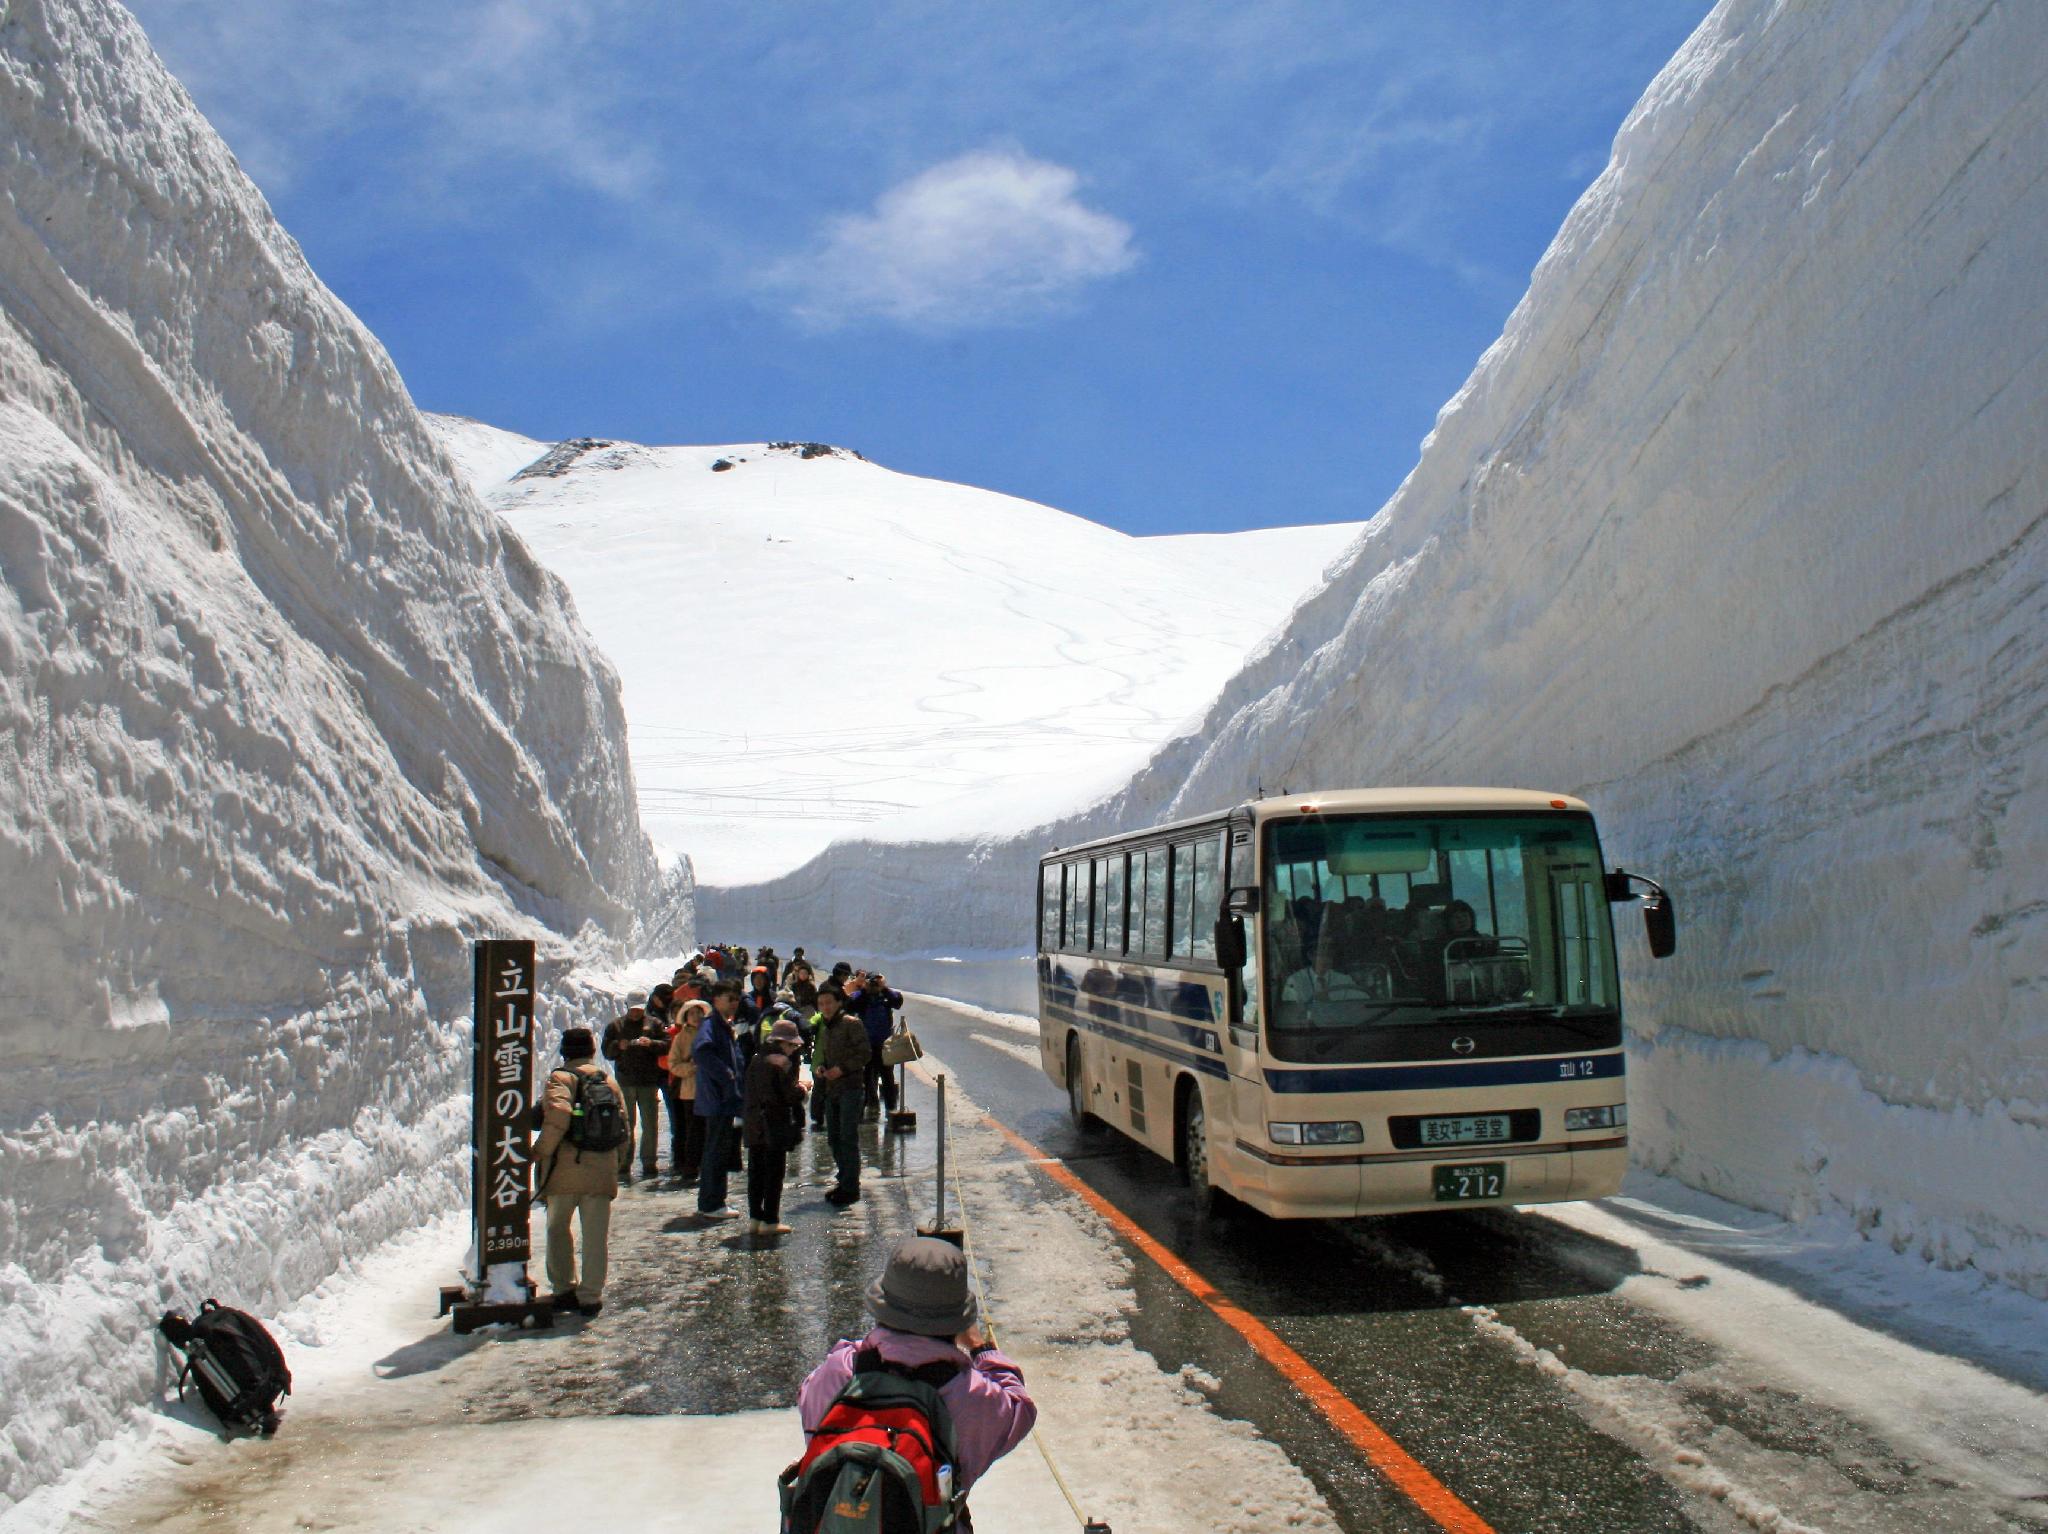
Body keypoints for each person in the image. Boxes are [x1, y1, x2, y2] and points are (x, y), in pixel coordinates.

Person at [797, 1237, 1036, 1523]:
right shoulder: (970, 1395)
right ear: (956, 1321)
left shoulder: (841, 1371)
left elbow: (808, 1404)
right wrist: (980, 1347)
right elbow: (1019, 1409)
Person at [534, 1028, 619, 1316]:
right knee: (595, 1235)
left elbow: (558, 1115)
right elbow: (624, 1127)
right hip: (601, 1168)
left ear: (564, 1051)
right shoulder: (608, 1080)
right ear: (592, 1050)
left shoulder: (561, 1078)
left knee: (558, 1229)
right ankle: (591, 1295)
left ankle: (563, 1288)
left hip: (565, 1170)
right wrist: (615, 1165)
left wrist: (540, 1151)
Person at [743, 1019, 808, 1234]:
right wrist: (802, 1090)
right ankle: (770, 1220)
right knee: (774, 1173)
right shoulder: (781, 1063)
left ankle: (755, 1218)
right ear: (785, 1043)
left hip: (754, 1122)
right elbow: (786, 1095)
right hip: (773, 1123)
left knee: (756, 1173)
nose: (793, 1050)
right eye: (792, 1046)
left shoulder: (756, 1059)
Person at [811, 984, 870, 1205]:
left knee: (847, 1138)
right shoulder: (825, 1027)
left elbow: (864, 1053)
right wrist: (822, 1068)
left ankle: (851, 1187)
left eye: (828, 1002)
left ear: (838, 1003)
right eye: (821, 1003)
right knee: (834, 1138)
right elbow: (824, 1054)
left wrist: (842, 1069)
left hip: (850, 1088)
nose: (825, 1007)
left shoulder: (851, 1024)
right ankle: (844, 1179)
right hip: (831, 1088)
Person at [692, 982, 746, 1220]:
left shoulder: (722, 1025)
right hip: (717, 1100)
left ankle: (714, 1200)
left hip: (723, 1099)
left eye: (736, 998)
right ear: (716, 999)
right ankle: (711, 1202)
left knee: (720, 1150)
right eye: (729, 998)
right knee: (715, 1151)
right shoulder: (711, 1024)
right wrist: (727, 1075)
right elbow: (702, 1052)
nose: (734, 1003)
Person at [601, 1003, 664, 1180]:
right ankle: (624, 1162)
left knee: (650, 1123)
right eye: (633, 1010)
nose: (636, 1013)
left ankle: (649, 1162)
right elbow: (606, 1051)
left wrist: (651, 1043)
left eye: (639, 1010)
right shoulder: (616, 1025)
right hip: (626, 1080)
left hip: (648, 1080)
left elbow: (666, 1045)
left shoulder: (654, 1024)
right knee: (626, 1124)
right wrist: (618, 1046)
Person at [665, 998, 709, 1180]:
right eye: (692, 1014)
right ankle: (690, 1166)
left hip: (708, 1090)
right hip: (689, 1090)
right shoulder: (681, 1038)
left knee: (708, 1130)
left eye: (699, 1013)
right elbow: (673, 1064)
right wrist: (691, 1068)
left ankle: (706, 1166)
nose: (696, 1017)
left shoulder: (710, 1033)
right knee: (692, 1131)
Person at [851, 971, 904, 1120]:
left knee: (887, 1077)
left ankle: (890, 1108)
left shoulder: (886, 996)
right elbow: (851, 1004)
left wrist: (884, 988)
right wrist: (864, 989)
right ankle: (867, 1106)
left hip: (884, 1044)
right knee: (867, 1077)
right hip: (866, 1044)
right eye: (871, 983)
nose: (874, 986)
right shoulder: (862, 997)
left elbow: (898, 1002)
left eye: (876, 983)